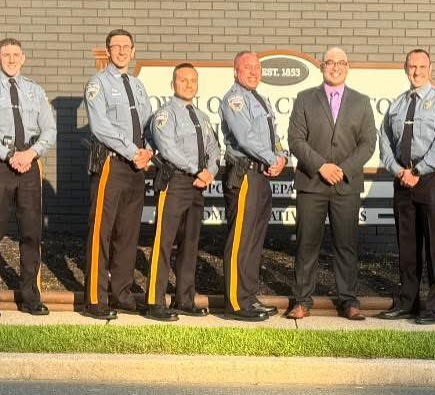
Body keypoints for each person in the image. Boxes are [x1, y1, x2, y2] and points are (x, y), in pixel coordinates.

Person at [284, 47, 377, 320]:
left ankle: (348, 300)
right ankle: (302, 300)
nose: (335, 67)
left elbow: (368, 143)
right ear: (322, 66)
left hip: (346, 185)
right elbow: (295, 140)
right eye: (330, 62)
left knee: (346, 245)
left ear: (348, 67)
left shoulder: (361, 101)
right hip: (312, 182)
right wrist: (321, 166)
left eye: (341, 63)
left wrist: (343, 169)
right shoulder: (304, 99)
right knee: (306, 244)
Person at [0, 38, 56, 317]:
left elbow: (49, 130)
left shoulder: (35, 90)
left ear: (24, 58)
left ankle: (31, 297)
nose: (11, 59)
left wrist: (30, 154)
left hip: (30, 167)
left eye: (15, 54)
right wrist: (9, 155)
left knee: (32, 234)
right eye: (5, 54)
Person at [377, 49, 435, 324]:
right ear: (405, 68)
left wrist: (418, 170)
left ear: (430, 68)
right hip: (402, 178)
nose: (416, 71)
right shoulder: (398, 104)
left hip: (428, 178)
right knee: (407, 245)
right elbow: (385, 140)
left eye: (421, 66)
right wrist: (397, 169)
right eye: (412, 66)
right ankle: (408, 301)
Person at [81, 29, 155, 320]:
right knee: (101, 231)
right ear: (108, 51)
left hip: (136, 168)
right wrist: (131, 150)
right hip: (112, 164)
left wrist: (148, 151)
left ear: (133, 51)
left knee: (128, 233)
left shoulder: (137, 86)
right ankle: (95, 299)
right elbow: (100, 126)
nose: (122, 51)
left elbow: (149, 123)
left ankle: (121, 294)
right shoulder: (97, 83)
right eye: (116, 46)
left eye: (127, 46)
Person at [146, 64, 221, 321]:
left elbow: (214, 148)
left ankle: (184, 299)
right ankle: (155, 302)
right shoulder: (165, 115)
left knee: (190, 244)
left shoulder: (202, 116)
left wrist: (210, 171)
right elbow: (167, 149)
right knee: (163, 243)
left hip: (198, 186)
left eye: (193, 81)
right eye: (183, 80)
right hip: (175, 183)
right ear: (173, 84)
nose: (188, 85)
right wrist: (196, 170)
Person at [220, 52, 287, 320]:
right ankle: (236, 303)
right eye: (247, 67)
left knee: (254, 240)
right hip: (245, 174)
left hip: (261, 175)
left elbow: (275, 136)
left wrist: (281, 158)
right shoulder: (234, 99)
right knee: (240, 240)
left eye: (257, 67)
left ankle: (248, 296)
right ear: (236, 71)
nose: (253, 71)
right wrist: (272, 158)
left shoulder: (259, 99)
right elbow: (245, 138)